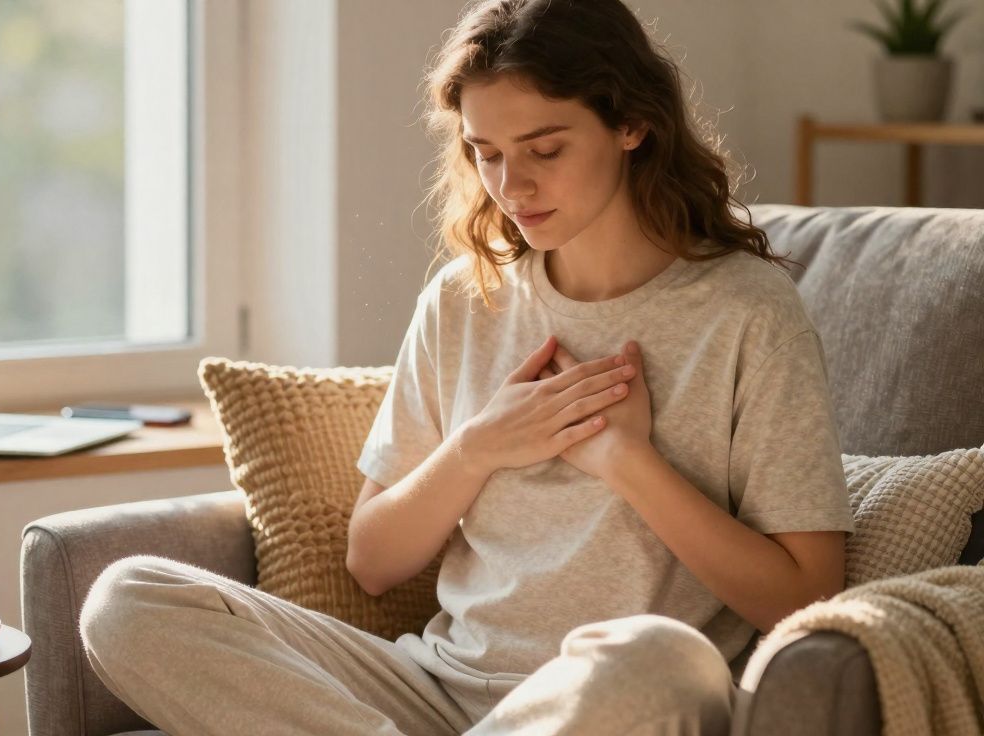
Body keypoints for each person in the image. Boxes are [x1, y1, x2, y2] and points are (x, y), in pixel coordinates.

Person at [79, 1, 854, 734]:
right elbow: (373, 560)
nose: (512, 187)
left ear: (633, 126)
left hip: (603, 701)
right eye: (486, 155)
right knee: (126, 598)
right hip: (431, 691)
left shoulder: (748, 311)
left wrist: (628, 462)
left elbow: (805, 593)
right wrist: (481, 445)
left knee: (667, 661)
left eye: (546, 150)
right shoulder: (464, 300)